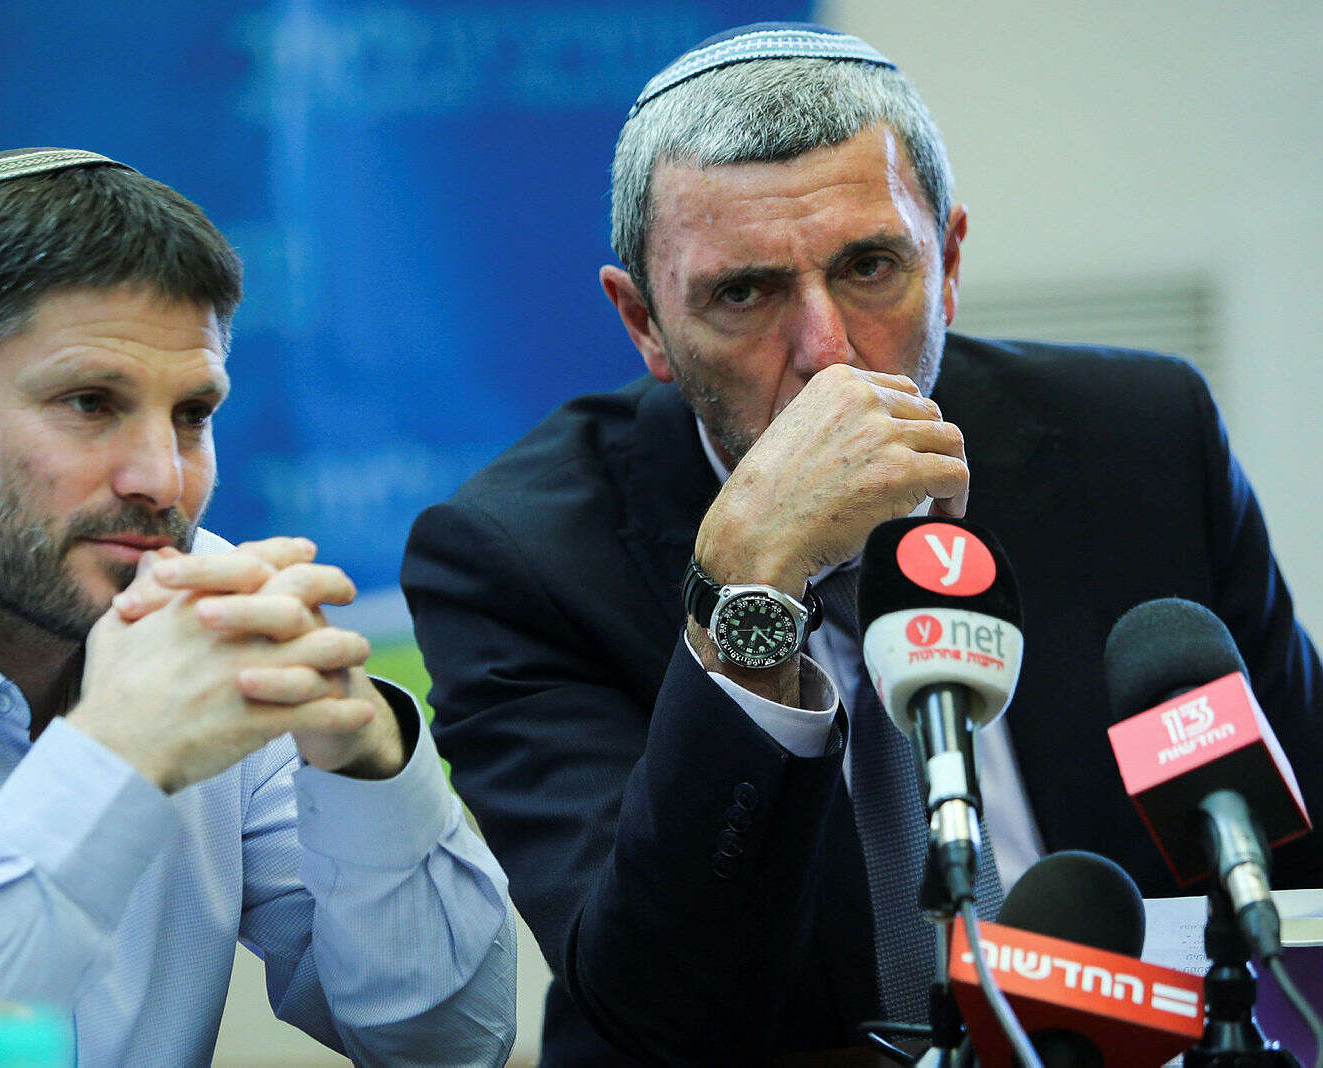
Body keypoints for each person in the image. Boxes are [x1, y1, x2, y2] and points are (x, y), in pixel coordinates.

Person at [401, 22, 1323, 1065]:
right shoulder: (517, 559)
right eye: (743, 293)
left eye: (872, 267)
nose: (828, 356)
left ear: (950, 263)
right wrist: (748, 594)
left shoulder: (1140, 442)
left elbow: (1299, 864)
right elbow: (661, 1012)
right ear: (644, 324)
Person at [0, 148, 516, 1066]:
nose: (162, 480)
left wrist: (366, 757)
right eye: (91, 403)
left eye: (192, 414)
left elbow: (448, 1048)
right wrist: (118, 756)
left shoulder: (206, 615)